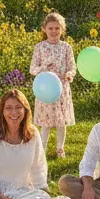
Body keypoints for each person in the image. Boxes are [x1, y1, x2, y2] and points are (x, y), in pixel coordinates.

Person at [29, 12, 76, 158]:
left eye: (57, 28)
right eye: (50, 28)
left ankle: (60, 148)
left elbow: (72, 67)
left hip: (61, 88)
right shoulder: (40, 47)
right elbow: (32, 69)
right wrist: (43, 66)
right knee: (46, 121)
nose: (54, 31)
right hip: (46, 89)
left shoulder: (66, 47)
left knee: (61, 121)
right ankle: (42, 149)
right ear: (44, 29)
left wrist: (69, 74)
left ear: (62, 29)